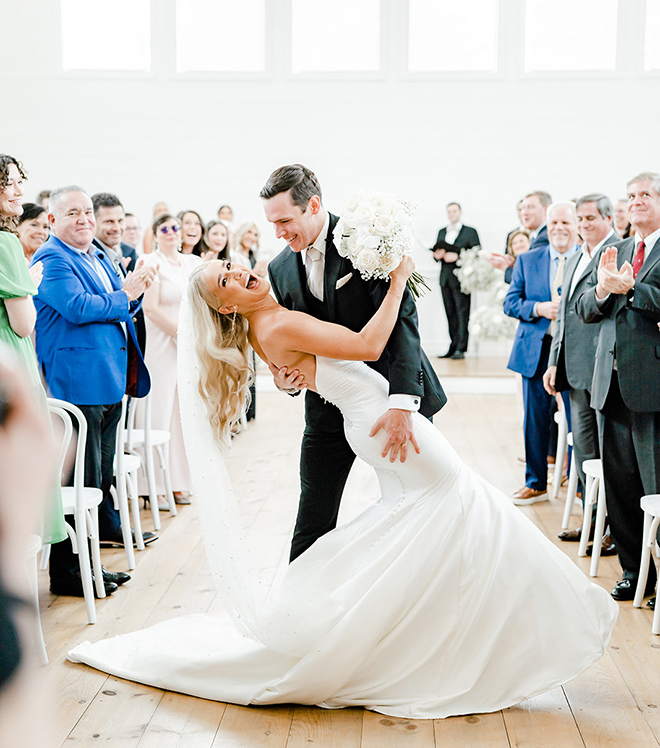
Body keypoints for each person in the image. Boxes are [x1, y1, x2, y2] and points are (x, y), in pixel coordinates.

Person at [68, 253, 618, 719]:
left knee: (443, 524)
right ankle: (513, 636)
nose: (239, 274)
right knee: (466, 508)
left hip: (375, 424)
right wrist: (401, 278)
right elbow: (369, 343)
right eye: (226, 283)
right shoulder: (277, 325)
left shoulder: (271, 320)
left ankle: (449, 641)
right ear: (227, 307)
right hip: (383, 423)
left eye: (232, 266)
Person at [262, 164, 445, 561]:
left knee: (420, 504)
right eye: (272, 224)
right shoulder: (279, 269)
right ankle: (296, 611)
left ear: (313, 205)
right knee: (312, 514)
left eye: (285, 221)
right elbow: (298, 343)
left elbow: (403, 324)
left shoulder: (368, 240)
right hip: (326, 408)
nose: (278, 233)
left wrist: (402, 404)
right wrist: (287, 380)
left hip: (390, 401)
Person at [32, 186, 157, 597]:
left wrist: (132, 292)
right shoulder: (52, 259)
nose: (84, 219)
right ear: (53, 221)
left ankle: (90, 564)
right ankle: (68, 573)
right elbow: (79, 307)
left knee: (99, 480)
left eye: (87, 211)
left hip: (109, 379)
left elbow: (120, 303)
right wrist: (127, 294)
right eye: (73, 213)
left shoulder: (98, 255)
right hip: (77, 385)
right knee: (77, 482)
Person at [577, 172, 660, 607]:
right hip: (609, 383)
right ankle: (634, 572)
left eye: (645, 194)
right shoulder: (620, 249)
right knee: (621, 485)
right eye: (631, 196)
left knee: (655, 485)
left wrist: (633, 289)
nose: (636, 202)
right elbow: (583, 307)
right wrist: (604, 290)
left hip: (652, 386)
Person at [543, 194, 617, 552]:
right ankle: (591, 521)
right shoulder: (574, 257)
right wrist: (555, 360)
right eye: (581, 219)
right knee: (585, 455)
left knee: (608, 456)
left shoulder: (616, 251)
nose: (585, 225)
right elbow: (563, 316)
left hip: (602, 370)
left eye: (591, 219)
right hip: (573, 370)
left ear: (608, 218)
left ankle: (613, 530)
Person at [0, 154, 66, 552]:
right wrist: (31, 284)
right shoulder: (6, 242)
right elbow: (24, 323)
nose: (19, 191)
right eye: (9, 183)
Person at [504, 202, 579, 505]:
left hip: (574, 350)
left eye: (565, 222)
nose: (559, 228)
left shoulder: (587, 258)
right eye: (553, 223)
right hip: (535, 347)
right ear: (546, 227)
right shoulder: (528, 260)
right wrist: (539, 308)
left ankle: (577, 484)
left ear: (575, 226)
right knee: (534, 419)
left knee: (576, 420)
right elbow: (510, 303)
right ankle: (535, 483)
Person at [137, 213, 201, 507]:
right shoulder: (150, 262)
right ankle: (152, 486)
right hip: (162, 346)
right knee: (159, 414)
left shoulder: (191, 263)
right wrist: (180, 334)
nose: (173, 232)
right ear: (155, 234)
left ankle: (177, 482)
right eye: (165, 229)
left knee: (181, 415)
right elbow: (149, 308)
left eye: (176, 227)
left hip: (187, 348)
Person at [430, 202, 481, 359]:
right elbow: (437, 253)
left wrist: (458, 257)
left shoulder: (470, 232)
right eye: (449, 211)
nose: (452, 214)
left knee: (462, 313)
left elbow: (477, 253)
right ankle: (452, 346)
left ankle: (461, 347)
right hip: (445, 279)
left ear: (460, 212)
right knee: (450, 313)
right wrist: (436, 255)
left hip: (462, 278)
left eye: (454, 211)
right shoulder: (441, 231)